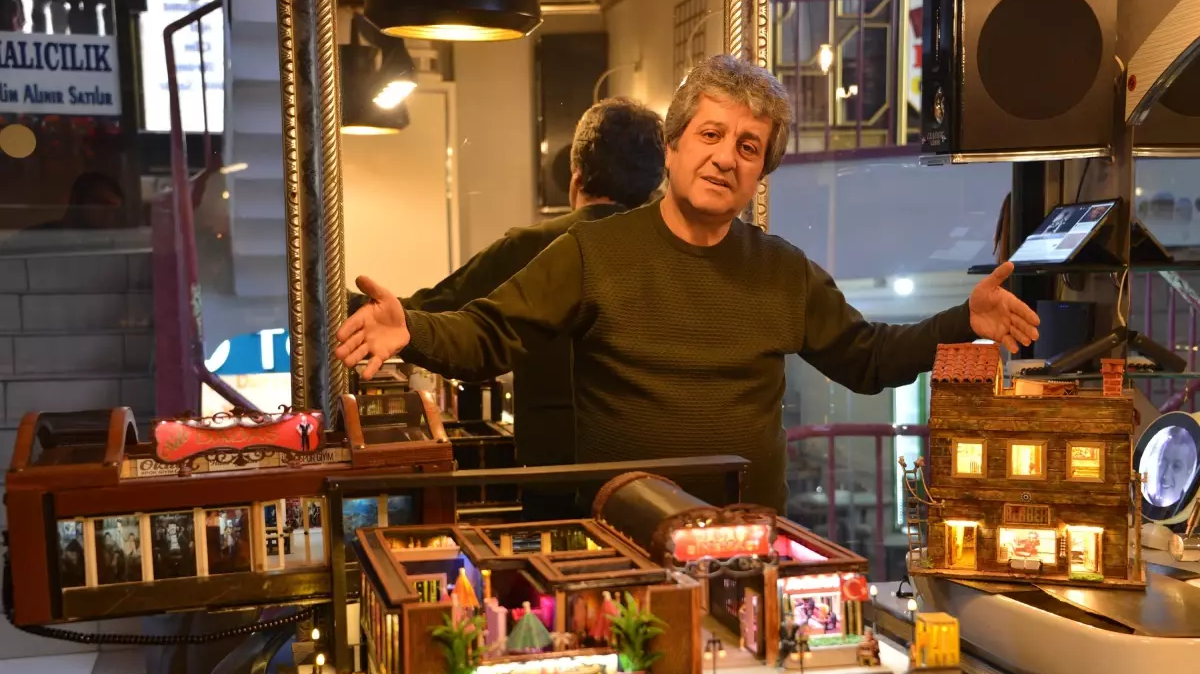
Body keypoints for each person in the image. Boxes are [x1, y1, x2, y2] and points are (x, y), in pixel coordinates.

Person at [335, 54, 1040, 512]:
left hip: (750, 548)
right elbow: (488, 334)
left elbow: (869, 357)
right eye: (710, 135)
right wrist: (410, 329)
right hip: (621, 550)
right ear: (672, 148)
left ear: (759, 173)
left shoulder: (784, 271)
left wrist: (963, 320)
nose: (725, 157)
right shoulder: (591, 253)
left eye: (747, 146)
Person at [350, 97, 666, 517]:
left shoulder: (533, 246)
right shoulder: (670, 253)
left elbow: (437, 310)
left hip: (553, 471)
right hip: (653, 478)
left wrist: (346, 302)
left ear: (575, 176)